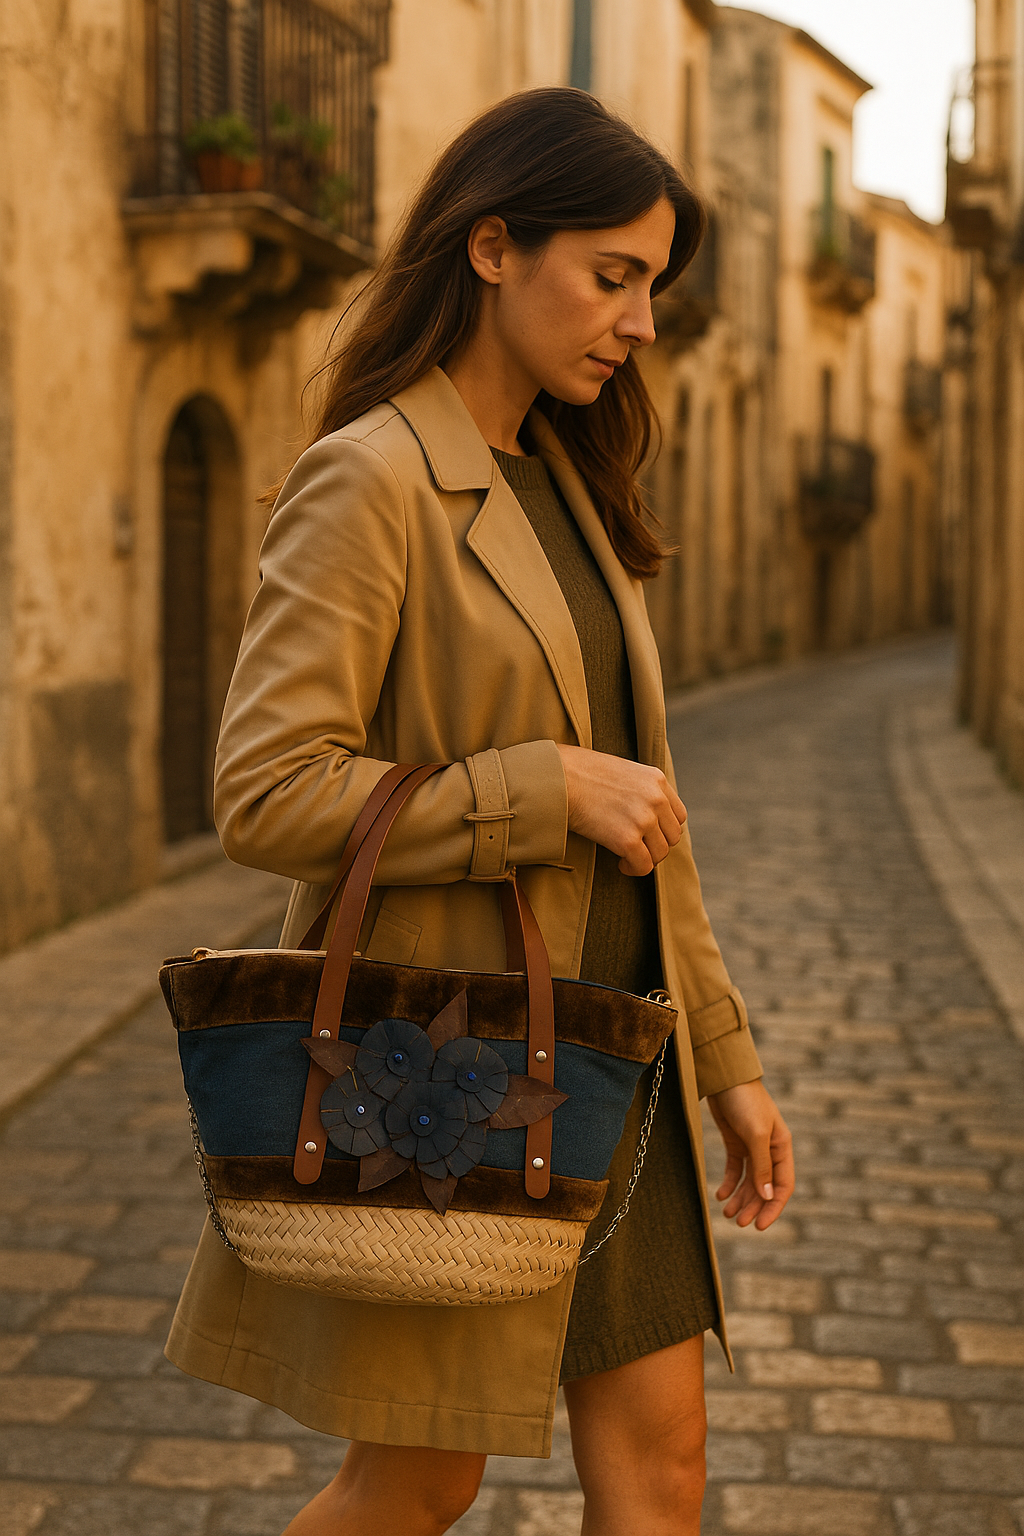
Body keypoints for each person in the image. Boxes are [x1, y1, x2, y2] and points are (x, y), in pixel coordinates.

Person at [165, 86, 794, 1536]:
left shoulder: (572, 478)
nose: (641, 323)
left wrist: (726, 1059)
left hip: (616, 1061)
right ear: (494, 248)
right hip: (463, 1070)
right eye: (614, 276)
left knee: (665, 1470)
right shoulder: (371, 478)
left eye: (653, 286)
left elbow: (648, 817)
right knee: (417, 1481)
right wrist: (536, 788)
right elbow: (264, 789)